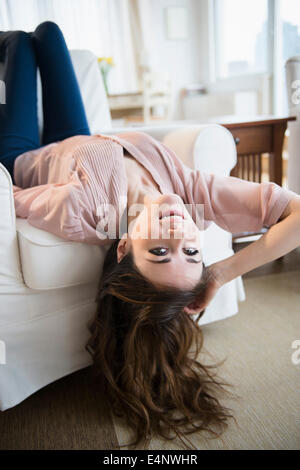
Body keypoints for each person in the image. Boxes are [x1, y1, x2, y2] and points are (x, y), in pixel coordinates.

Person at [1, 21, 299, 448]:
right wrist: (220, 273)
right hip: (81, 137)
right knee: (49, 33)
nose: (179, 233)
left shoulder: (80, 209)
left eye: (160, 250)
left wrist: (14, 171)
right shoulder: (192, 193)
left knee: (19, 45)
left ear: (124, 246)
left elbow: (11, 196)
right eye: (192, 252)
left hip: (23, 154)